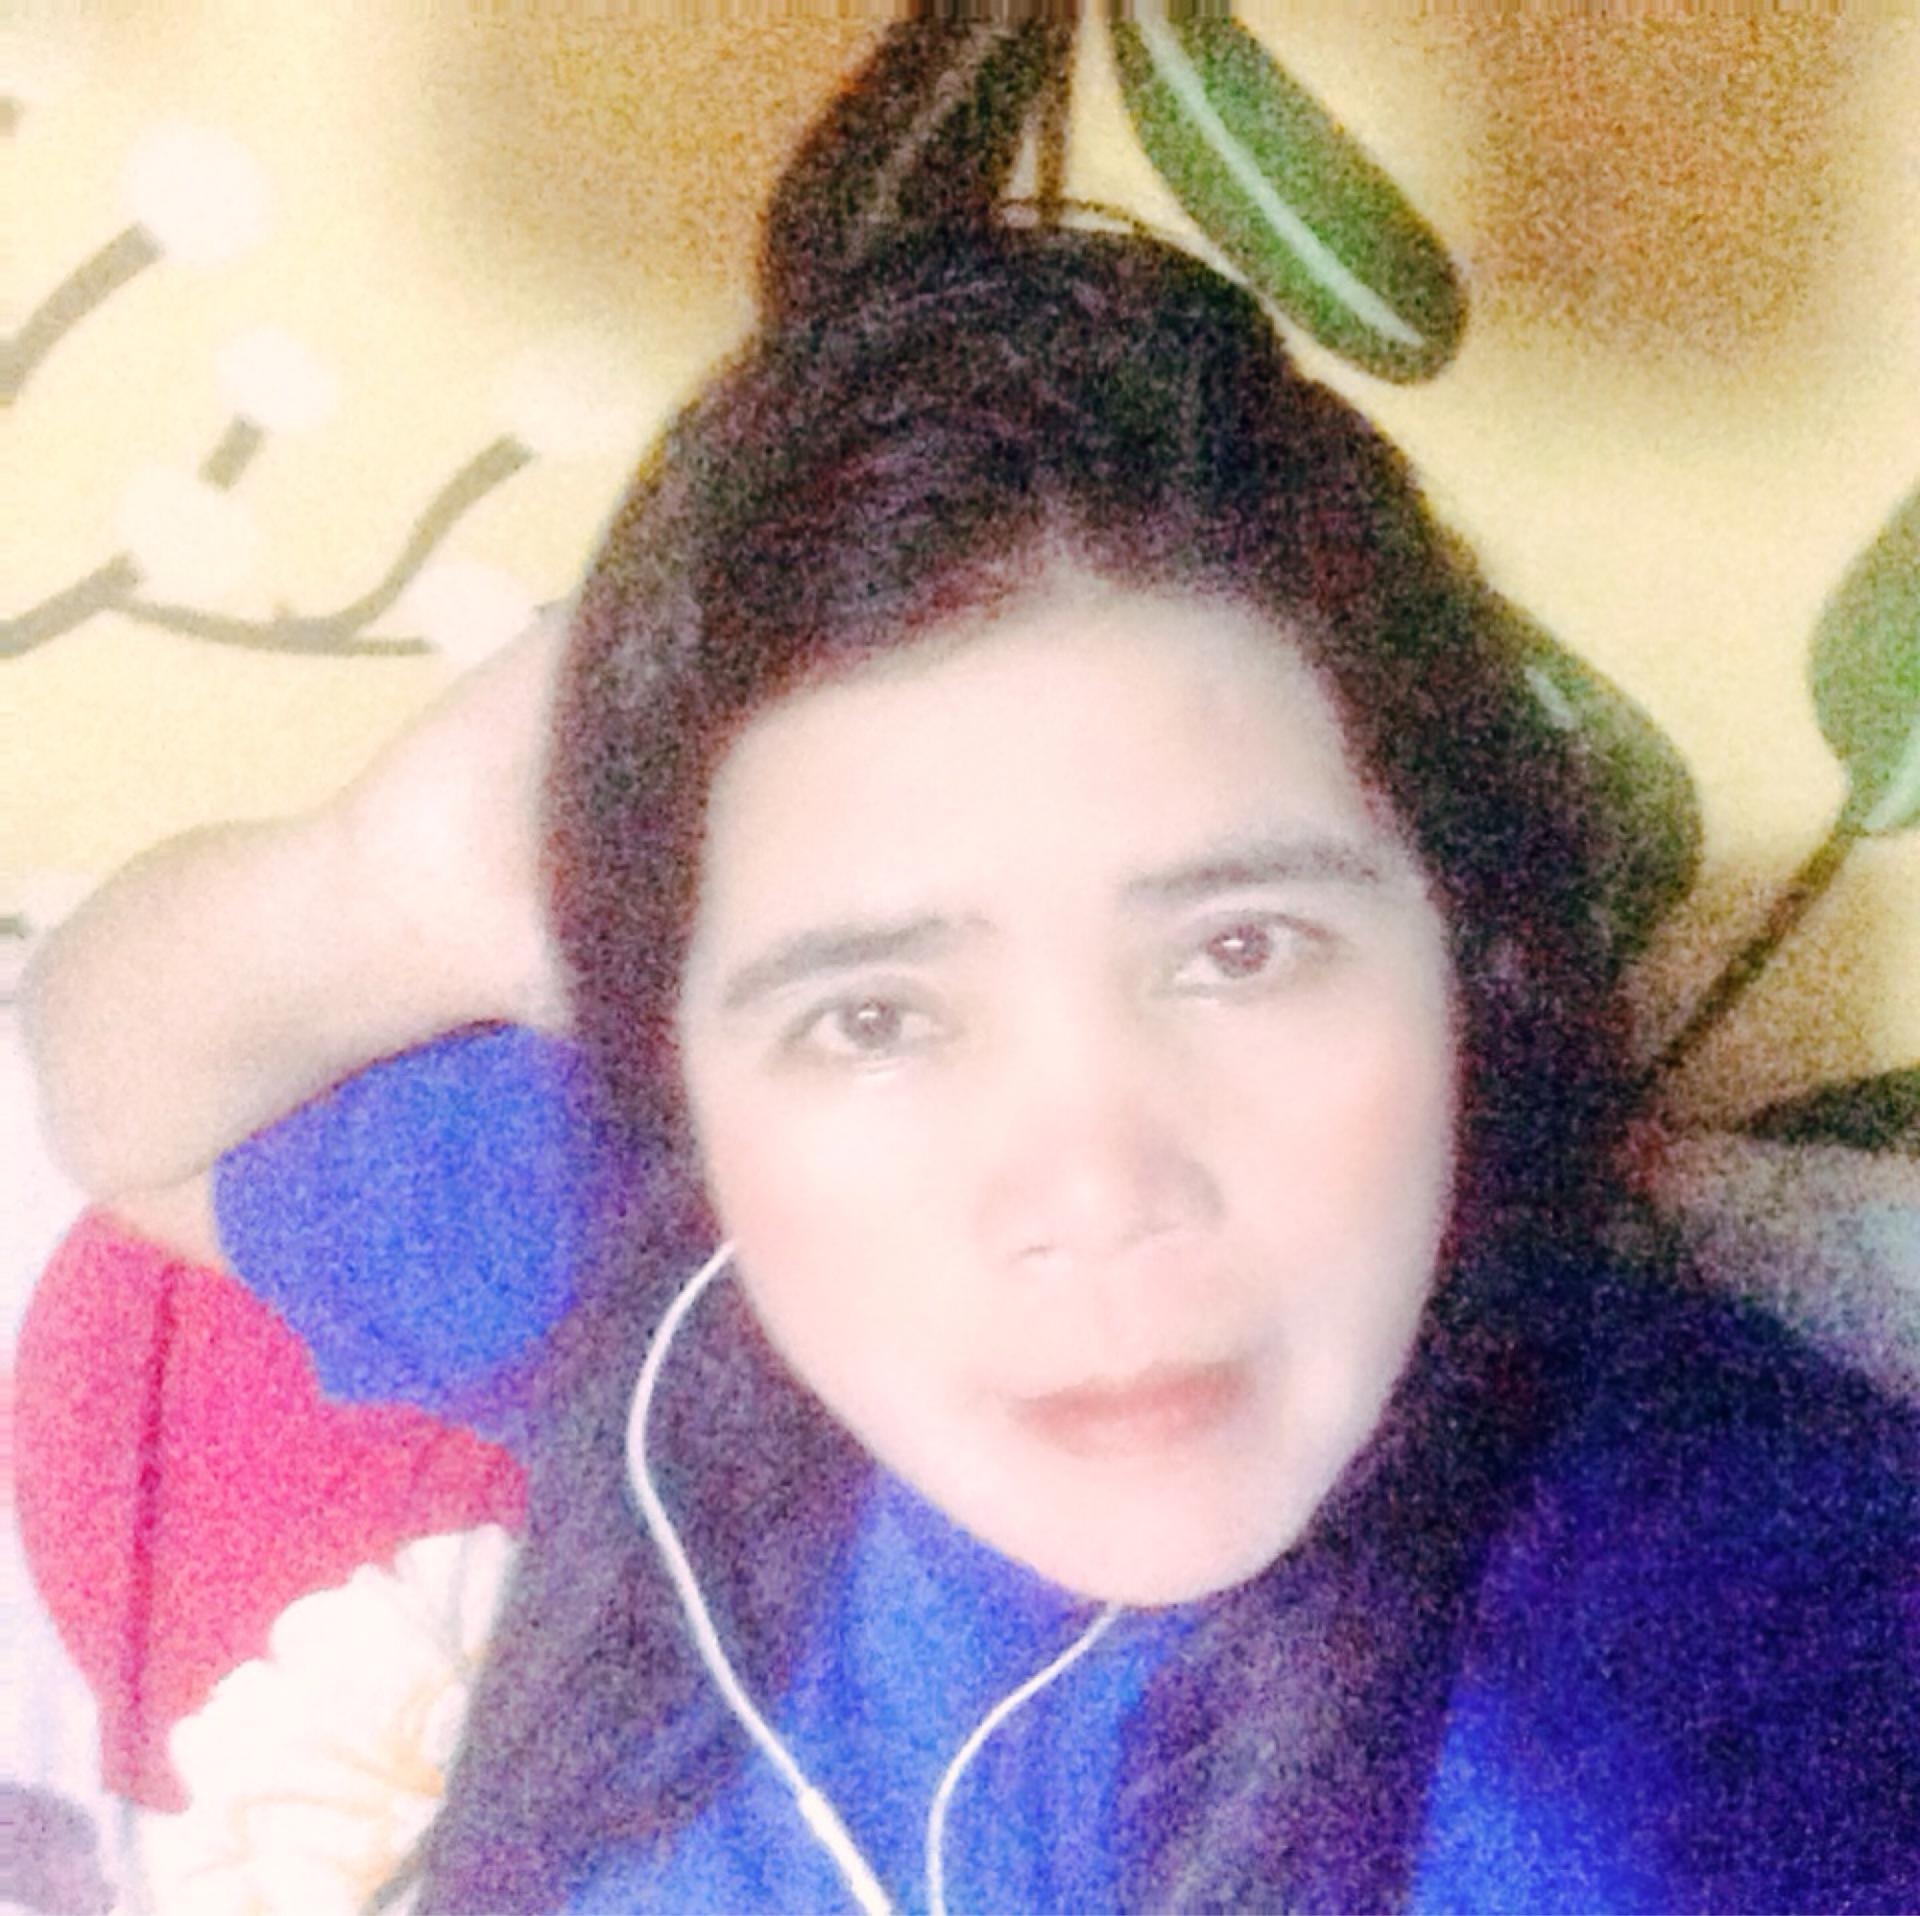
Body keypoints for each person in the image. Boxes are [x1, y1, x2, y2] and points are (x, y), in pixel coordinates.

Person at [22, 219, 1920, 1914]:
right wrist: (388, 881)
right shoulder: (684, 1290)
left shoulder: (1734, 1679)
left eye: (1240, 951)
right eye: (876, 1016)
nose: (1092, 1188)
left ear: (1461, 958)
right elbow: (125, 1105)